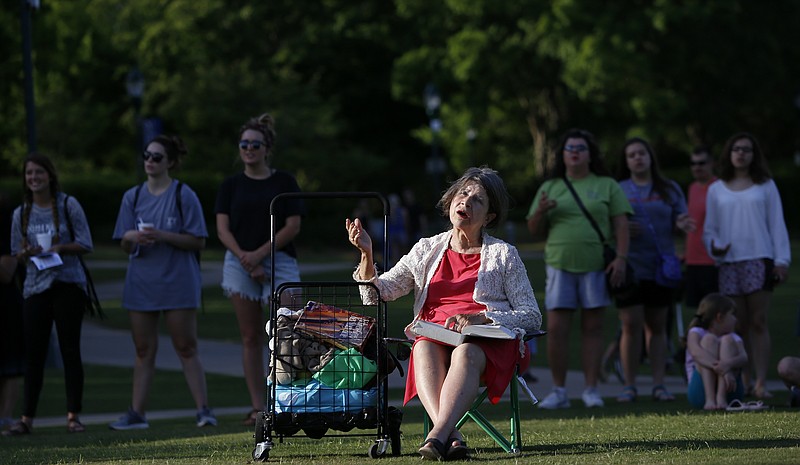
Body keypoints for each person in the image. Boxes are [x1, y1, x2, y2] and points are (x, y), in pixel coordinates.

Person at [346, 166, 542, 461]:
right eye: (463, 194)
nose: (466, 202)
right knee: (421, 346)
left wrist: (484, 318)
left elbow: (531, 315)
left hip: (488, 345)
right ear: (451, 201)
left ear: (488, 217)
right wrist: (366, 255)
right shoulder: (427, 249)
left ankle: (436, 435)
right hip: (436, 340)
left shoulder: (504, 255)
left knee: (465, 353)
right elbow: (377, 294)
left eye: (478, 199)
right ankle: (450, 436)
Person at [108, 135, 216, 430]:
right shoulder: (132, 197)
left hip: (178, 281)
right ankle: (136, 414)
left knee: (186, 346)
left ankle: (204, 411)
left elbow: (198, 241)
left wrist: (162, 235)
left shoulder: (183, 194)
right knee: (143, 349)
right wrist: (132, 237)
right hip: (142, 283)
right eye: (147, 155)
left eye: (157, 157)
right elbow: (125, 245)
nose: (150, 161)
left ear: (170, 162)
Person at [526, 128, 631, 409]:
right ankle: (559, 391)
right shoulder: (551, 187)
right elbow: (534, 229)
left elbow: (621, 224)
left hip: (596, 266)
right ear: (562, 154)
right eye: (569, 147)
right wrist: (541, 211)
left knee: (593, 329)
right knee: (558, 330)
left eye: (580, 148)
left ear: (590, 154)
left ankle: (591, 389)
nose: (574, 151)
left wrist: (620, 257)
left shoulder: (607, 185)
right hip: (559, 266)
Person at [215, 113, 304, 426]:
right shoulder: (230, 185)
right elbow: (222, 229)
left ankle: (287, 399)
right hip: (239, 263)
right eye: (244, 144)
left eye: (255, 144)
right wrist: (245, 258)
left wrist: (260, 255)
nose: (249, 149)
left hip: (279, 260)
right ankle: (258, 406)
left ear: (267, 148)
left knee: (288, 331)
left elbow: (293, 226)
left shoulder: (284, 182)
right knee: (250, 336)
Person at [4, 153, 93, 436]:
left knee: (70, 350)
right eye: (29, 174)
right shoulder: (21, 213)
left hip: (68, 285)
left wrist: (60, 248)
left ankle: (73, 416)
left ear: (50, 176)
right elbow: (16, 254)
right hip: (35, 288)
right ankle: (26, 418)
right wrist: (26, 253)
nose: (34, 178)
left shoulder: (68, 204)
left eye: (39, 173)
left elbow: (86, 243)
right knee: (34, 354)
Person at [703, 132, 790, 399]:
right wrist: (715, 247)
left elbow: (777, 223)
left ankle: (761, 382)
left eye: (747, 149)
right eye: (736, 149)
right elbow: (710, 229)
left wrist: (781, 260)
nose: (741, 153)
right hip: (730, 262)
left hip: (759, 258)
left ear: (754, 155)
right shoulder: (716, 189)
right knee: (735, 324)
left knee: (758, 321)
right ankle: (743, 379)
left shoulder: (765, 185)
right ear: (729, 154)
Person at [616, 137, 695, 403]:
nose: (637, 158)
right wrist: (623, 229)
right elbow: (608, 224)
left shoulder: (669, 188)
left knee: (658, 327)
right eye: (632, 155)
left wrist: (682, 225)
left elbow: (680, 219)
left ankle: (659, 384)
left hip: (661, 268)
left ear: (650, 157)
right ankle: (629, 385)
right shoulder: (619, 189)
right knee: (630, 325)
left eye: (642, 153)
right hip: (630, 267)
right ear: (626, 162)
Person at [685, 293, 747, 410]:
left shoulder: (733, 337)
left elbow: (744, 357)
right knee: (709, 340)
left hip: (731, 391)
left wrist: (728, 365)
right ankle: (710, 398)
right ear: (720, 317)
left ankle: (721, 397)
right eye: (732, 315)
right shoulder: (697, 332)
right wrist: (724, 370)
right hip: (700, 393)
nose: (735, 319)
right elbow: (695, 352)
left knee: (727, 340)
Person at [0, 194, 25, 430]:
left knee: (9, 366)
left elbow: (6, 273)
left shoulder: (7, 219)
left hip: (5, 305)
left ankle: (6, 417)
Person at [684, 146, 718, 309]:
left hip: (712, 260)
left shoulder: (720, 188)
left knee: (715, 311)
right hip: (692, 259)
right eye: (693, 163)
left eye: (702, 163)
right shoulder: (692, 188)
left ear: (712, 164)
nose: (697, 167)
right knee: (698, 313)